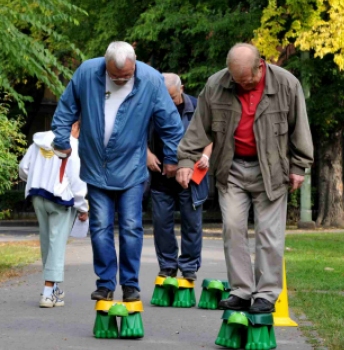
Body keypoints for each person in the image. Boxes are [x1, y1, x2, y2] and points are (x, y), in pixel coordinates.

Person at [176, 43, 314, 313]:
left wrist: (299, 165)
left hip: (271, 170)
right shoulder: (216, 85)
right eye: (236, 80)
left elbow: (300, 126)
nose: (242, 85)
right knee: (233, 229)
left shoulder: (286, 83)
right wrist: (185, 161)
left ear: (260, 66)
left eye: (247, 80)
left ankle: (266, 293)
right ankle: (241, 290)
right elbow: (198, 128)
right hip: (232, 169)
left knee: (269, 234)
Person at [51, 41, 183, 302]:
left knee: (131, 226)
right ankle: (105, 283)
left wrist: (171, 157)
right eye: (115, 76)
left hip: (132, 166)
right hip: (96, 165)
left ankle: (131, 284)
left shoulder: (151, 79)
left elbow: (170, 122)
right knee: (100, 226)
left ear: (135, 63)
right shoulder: (87, 73)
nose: (122, 80)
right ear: (105, 64)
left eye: (127, 75)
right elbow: (66, 108)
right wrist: (61, 141)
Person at [147, 73, 212, 281]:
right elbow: (135, 133)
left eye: (172, 97)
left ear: (181, 88)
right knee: (161, 223)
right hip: (159, 175)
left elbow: (210, 135)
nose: (169, 103)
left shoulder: (197, 106)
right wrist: (146, 153)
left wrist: (205, 156)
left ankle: (189, 266)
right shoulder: (149, 105)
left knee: (191, 222)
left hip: (191, 176)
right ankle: (167, 265)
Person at [19, 121, 88, 308]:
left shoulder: (39, 140)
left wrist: (37, 177)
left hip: (37, 194)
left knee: (46, 242)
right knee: (57, 243)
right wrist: (83, 207)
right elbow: (77, 180)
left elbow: (24, 168)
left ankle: (54, 287)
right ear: (76, 126)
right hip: (60, 199)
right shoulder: (72, 145)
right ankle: (48, 292)